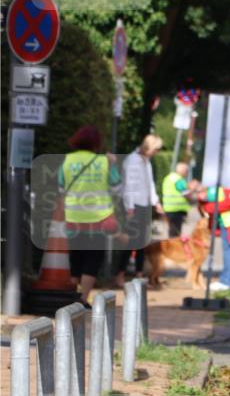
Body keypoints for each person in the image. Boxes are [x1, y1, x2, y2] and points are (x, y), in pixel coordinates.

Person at [60, 126, 121, 305]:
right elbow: (117, 187)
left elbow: (61, 187)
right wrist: (113, 165)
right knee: (93, 258)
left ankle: (72, 296)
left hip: (73, 216)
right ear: (97, 143)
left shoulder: (68, 160)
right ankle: (83, 298)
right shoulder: (104, 162)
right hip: (99, 218)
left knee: (76, 256)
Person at [115, 134, 164, 287]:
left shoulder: (146, 161)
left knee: (142, 242)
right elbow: (129, 185)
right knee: (129, 242)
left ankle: (139, 274)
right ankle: (120, 274)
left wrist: (155, 201)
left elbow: (150, 184)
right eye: (155, 149)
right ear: (148, 147)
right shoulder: (132, 161)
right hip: (133, 205)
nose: (156, 153)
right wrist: (129, 207)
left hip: (144, 204)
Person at [161, 161, 200, 237]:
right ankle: (173, 248)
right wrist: (193, 189)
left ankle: (171, 247)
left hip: (168, 208)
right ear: (182, 170)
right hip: (176, 210)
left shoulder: (169, 177)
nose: (187, 173)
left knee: (172, 231)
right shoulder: (178, 180)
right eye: (186, 171)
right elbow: (186, 194)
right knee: (175, 233)